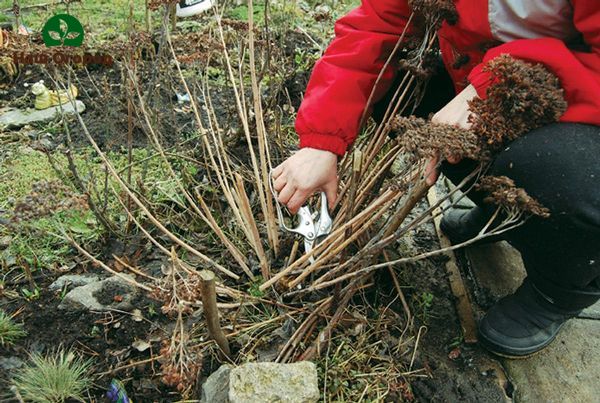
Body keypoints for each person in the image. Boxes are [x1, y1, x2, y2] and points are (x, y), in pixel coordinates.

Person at [271, 0, 600, 358]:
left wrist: (499, 82)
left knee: (560, 174)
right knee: (405, 78)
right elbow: (378, 24)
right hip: (492, 81)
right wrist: (322, 141)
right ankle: (505, 213)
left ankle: (562, 288)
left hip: (581, 104)